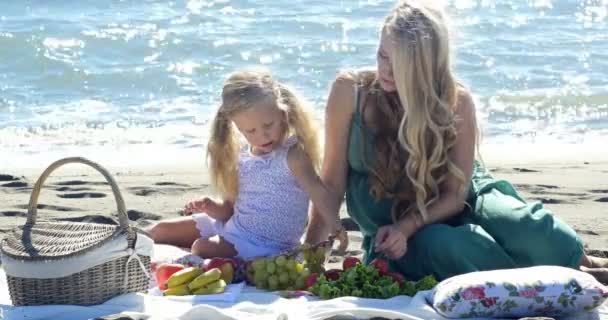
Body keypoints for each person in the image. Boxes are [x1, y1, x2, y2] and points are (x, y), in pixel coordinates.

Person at [304, 0, 608, 283]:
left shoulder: (455, 100)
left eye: (400, 64)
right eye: (382, 55)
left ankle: (582, 263)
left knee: (525, 229)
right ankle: (561, 279)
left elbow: (455, 193)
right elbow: (330, 183)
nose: (386, 70)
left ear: (425, 66)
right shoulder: (350, 92)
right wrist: (311, 259)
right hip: (395, 231)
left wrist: (408, 224)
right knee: (452, 246)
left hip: (458, 198)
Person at [148, 68, 339, 260]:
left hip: (263, 245)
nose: (262, 136)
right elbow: (227, 210)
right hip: (234, 226)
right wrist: (209, 206)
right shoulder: (240, 154)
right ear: (237, 127)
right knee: (158, 231)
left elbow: (319, 193)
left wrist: (336, 225)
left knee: (201, 248)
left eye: (268, 125)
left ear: (283, 113)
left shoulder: (293, 155)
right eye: (250, 131)